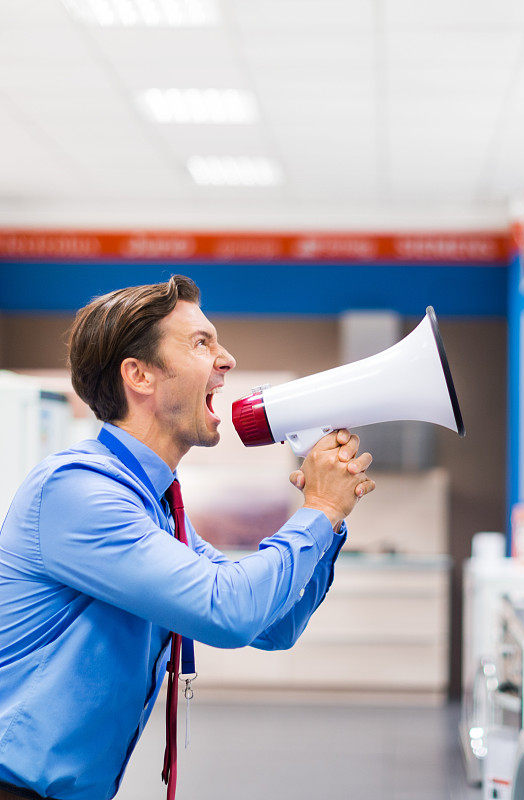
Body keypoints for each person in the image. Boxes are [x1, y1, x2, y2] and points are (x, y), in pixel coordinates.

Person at [0, 275, 375, 800]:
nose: (227, 360)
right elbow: (228, 612)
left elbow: (273, 625)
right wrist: (320, 507)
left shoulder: (155, 506)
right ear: (139, 375)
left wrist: (329, 520)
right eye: (202, 342)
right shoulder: (79, 491)